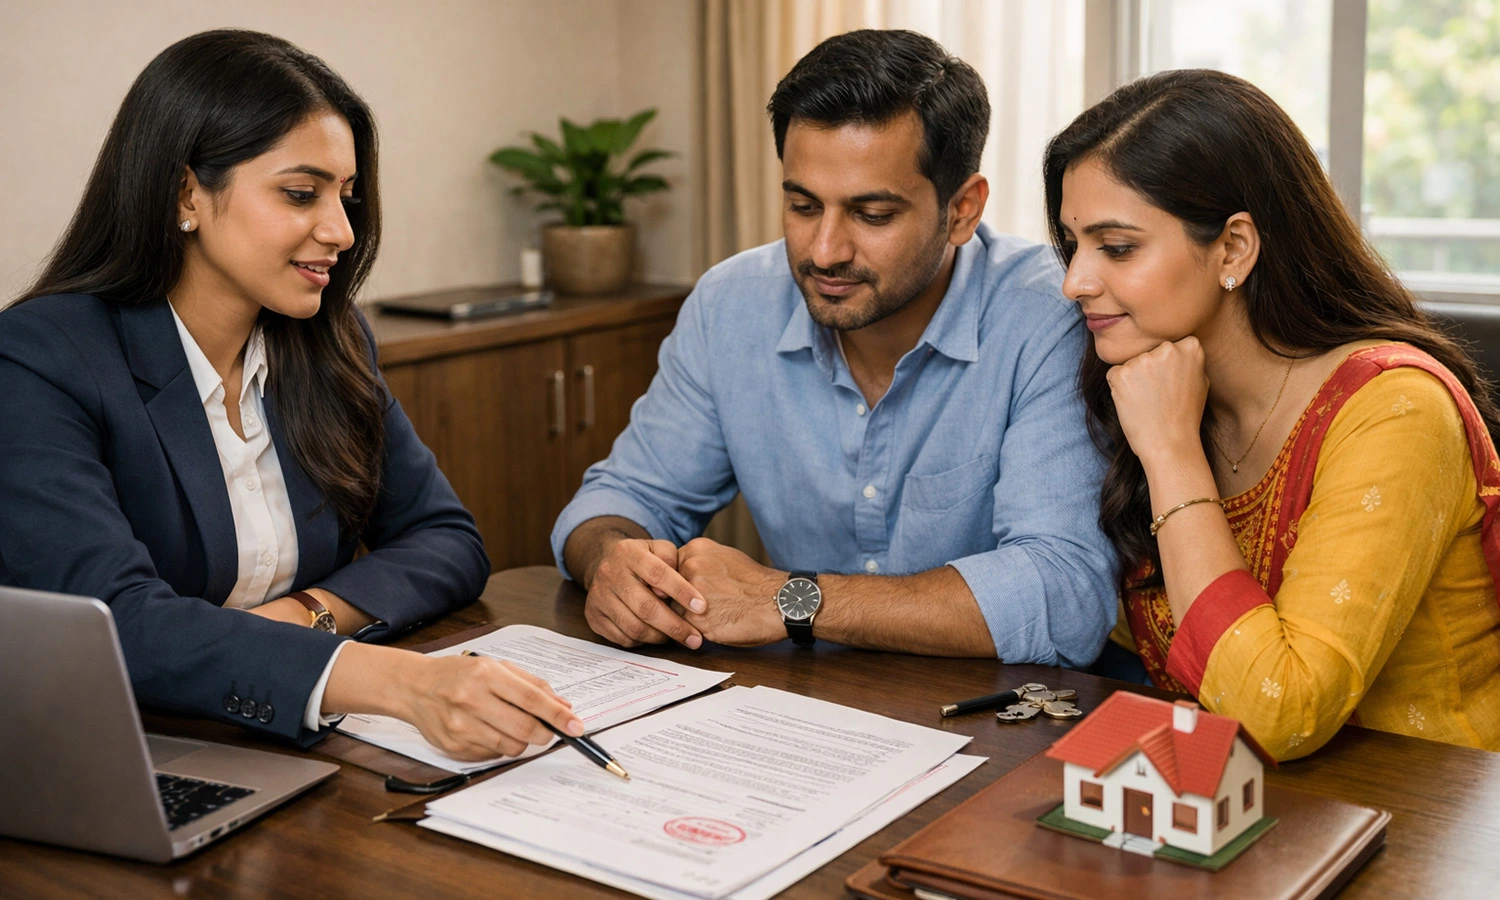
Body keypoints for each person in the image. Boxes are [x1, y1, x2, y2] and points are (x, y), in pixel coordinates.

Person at [0, 30, 582, 760]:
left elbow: (447, 540)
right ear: (186, 192)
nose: (340, 231)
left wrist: (304, 616)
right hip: (122, 759)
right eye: (301, 193)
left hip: (284, 746)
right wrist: (391, 682)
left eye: (346, 195)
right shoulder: (41, 358)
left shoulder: (328, 342)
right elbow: (115, 624)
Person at [553, 30, 1116, 663]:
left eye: (872, 214)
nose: (824, 251)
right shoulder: (731, 304)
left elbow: (1066, 594)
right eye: (801, 204)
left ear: (962, 210)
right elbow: (623, 498)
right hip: (801, 710)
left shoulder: (1051, 315)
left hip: (988, 719)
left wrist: (794, 600)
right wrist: (610, 558)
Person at [1046, 68, 1500, 760]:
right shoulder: (1153, 385)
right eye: (1072, 244)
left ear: (1233, 247)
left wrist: (1171, 455)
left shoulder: (1396, 411)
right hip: (1233, 810)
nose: (1075, 282)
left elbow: (1280, 711)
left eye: (1117, 248)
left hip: (1428, 829)